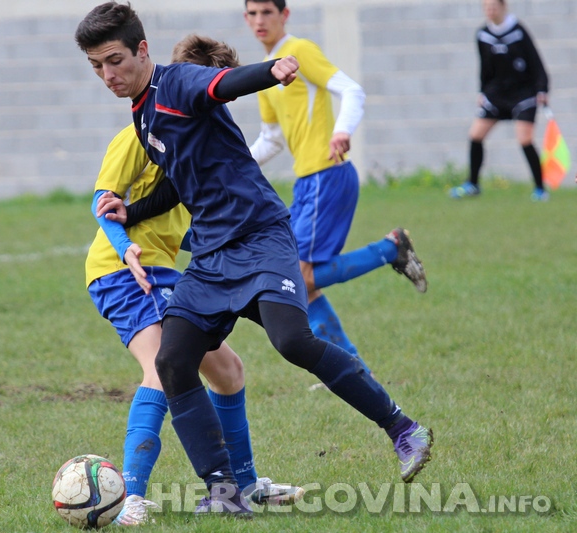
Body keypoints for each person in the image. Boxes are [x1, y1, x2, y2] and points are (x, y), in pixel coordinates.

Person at [75, 2, 434, 517]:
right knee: (173, 362)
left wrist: (272, 72)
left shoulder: (176, 83)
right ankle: (224, 492)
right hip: (213, 256)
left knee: (292, 340)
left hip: (260, 238)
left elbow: (221, 84)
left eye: (114, 61)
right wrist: (131, 210)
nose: (108, 75)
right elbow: (179, 182)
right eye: (97, 67)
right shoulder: (143, 111)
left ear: (142, 50)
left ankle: (403, 429)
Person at [85, 35, 302, 525]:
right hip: (122, 272)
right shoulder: (141, 129)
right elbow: (104, 205)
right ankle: (128, 498)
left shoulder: (201, 139)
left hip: (164, 269)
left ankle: (241, 487)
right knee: (163, 367)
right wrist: (127, 249)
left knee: (228, 372)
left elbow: (175, 217)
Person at [242, 0, 427, 374]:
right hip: (309, 182)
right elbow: (271, 139)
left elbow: (352, 90)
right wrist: (230, 164)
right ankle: (351, 365)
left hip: (328, 175)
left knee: (298, 275)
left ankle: (390, 249)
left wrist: (342, 131)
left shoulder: (300, 51)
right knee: (303, 285)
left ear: (284, 15)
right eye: (252, 13)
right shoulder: (264, 75)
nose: (260, 20)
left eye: (267, 12)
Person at [450, 0, 549, 201]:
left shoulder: (518, 31)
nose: (490, 10)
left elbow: (536, 62)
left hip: (523, 93)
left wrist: (542, 89)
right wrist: (482, 91)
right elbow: (485, 68)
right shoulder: (482, 35)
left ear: (504, 7)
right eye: (486, 7)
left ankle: (540, 189)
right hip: (496, 95)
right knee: (475, 134)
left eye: (494, 6)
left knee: (524, 138)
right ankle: (473, 185)